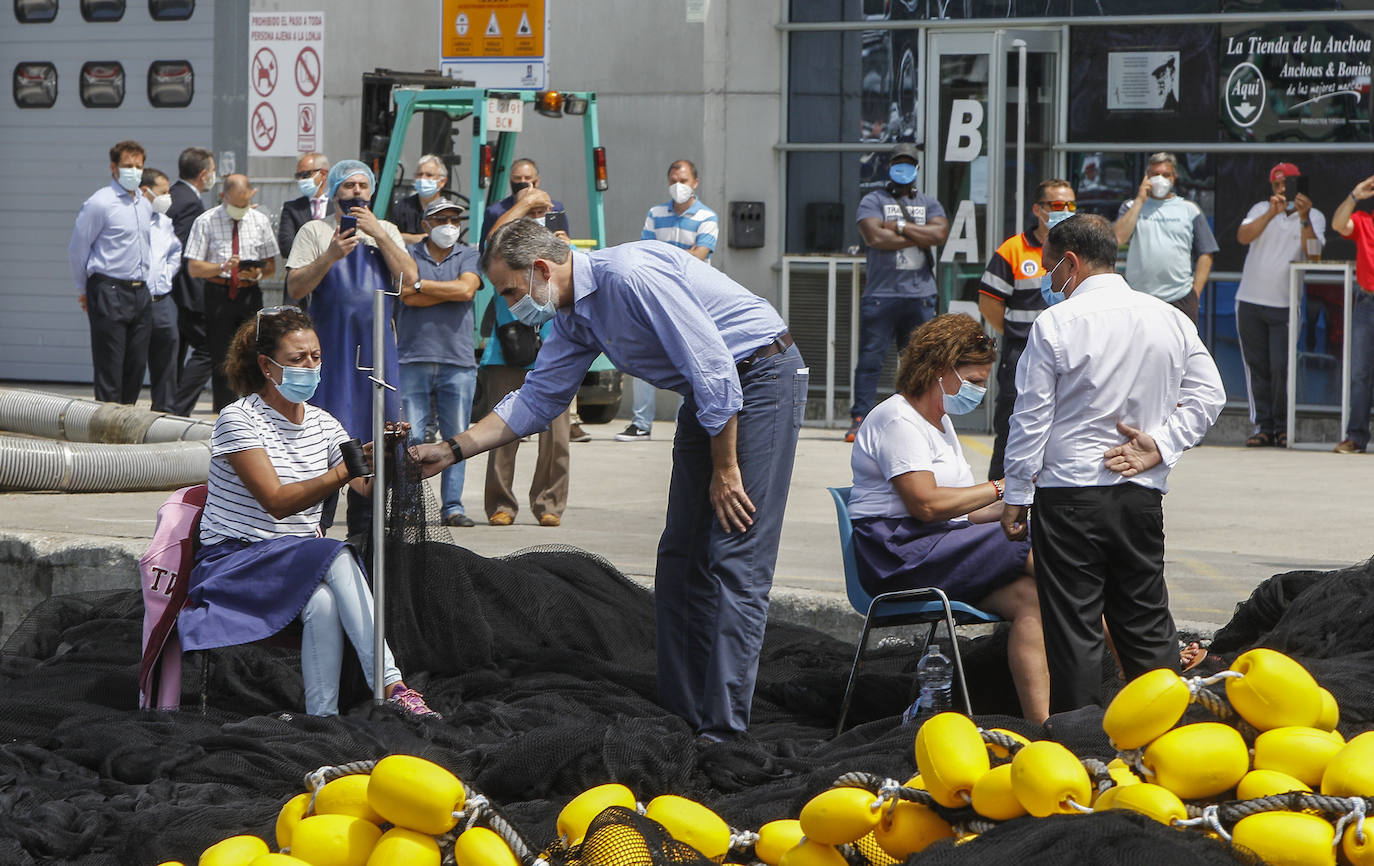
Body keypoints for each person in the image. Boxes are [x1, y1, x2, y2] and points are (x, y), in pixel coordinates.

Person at [411, 221, 807, 740]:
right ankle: (686, 715)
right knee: (680, 559)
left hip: (758, 377)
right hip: (709, 397)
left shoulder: (629, 276)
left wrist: (726, 470)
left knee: (735, 554)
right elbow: (536, 399)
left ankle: (723, 732)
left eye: (510, 291)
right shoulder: (575, 317)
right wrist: (451, 448)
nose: (510, 307)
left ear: (542, 269)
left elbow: (715, 369)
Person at [1001, 214, 1225, 713]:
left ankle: (1081, 750)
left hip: (1068, 496)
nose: (1049, 279)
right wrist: (1161, 445)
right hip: (1139, 494)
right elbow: (1211, 394)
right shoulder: (1168, 317)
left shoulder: (1056, 322)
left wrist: (1016, 494)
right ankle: (1166, 742)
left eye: (1050, 267)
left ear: (1072, 263)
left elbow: (1032, 418)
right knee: (1145, 623)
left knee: (1075, 631)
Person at [178, 306, 437, 719]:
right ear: (267, 365)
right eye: (298, 359)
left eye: (316, 357)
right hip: (234, 562)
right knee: (335, 553)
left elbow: (363, 485)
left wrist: (387, 457)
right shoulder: (238, 419)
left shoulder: (325, 424)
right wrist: (342, 470)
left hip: (293, 562)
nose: (310, 367)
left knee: (323, 603)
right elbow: (277, 502)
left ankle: (321, 718)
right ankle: (391, 683)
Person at [848, 314, 1049, 723]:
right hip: (898, 554)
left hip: (936, 545)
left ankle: (1042, 726)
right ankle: (1138, 656)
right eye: (972, 381)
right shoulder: (898, 420)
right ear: (939, 370)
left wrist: (1021, 504)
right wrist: (1003, 488)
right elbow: (926, 504)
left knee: (1033, 597)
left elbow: (966, 509)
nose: (979, 391)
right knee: (1043, 550)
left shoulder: (940, 422)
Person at [285, 160, 415, 537]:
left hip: (377, 356)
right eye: (349, 185)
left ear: (371, 192)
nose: (356, 191)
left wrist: (381, 235)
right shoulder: (314, 230)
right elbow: (295, 289)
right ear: (335, 190)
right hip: (332, 353)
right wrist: (330, 255)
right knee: (326, 438)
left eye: (363, 185)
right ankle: (315, 525)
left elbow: (410, 280)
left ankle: (366, 531)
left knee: (378, 436)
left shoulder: (386, 229)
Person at [477, 189, 574, 527]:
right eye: (519, 183)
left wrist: (563, 243)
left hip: (554, 350)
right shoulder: (504, 255)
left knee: (557, 437)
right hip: (507, 350)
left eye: (532, 182)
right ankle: (501, 503)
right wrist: (524, 204)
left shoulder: (552, 253)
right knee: (502, 430)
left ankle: (549, 502)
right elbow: (491, 247)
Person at [847, 142, 950, 443]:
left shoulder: (930, 204)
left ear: (917, 169)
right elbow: (874, 237)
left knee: (917, 361)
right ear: (889, 167)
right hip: (882, 294)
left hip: (920, 295)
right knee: (871, 360)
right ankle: (860, 419)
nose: (902, 168)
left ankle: (911, 419)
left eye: (908, 163)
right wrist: (920, 234)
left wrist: (899, 227)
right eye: (897, 163)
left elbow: (940, 234)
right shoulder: (872, 200)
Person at [978, 178, 1076, 480]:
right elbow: (989, 303)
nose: (1066, 210)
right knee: (1012, 427)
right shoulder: (1014, 249)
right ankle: (996, 500)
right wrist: (1018, 334)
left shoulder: (1079, 250)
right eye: (1057, 205)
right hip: (1022, 351)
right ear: (1038, 209)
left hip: (1072, 351)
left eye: (1071, 205)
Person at [619, 158, 719, 442]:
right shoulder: (655, 213)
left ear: (695, 183)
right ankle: (640, 423)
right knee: (642, 355)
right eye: (674, 180)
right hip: (657, 295)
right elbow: (645, 252)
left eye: (684, 181)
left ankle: (684, 426)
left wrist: (668, 256)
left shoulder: (707, 217)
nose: (678, 186)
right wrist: (682, 254)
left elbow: (701, 255)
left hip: (693, 298)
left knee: (691, 360)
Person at [396, 198, 482, 527]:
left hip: (457, 360)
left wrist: (421, 287)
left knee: (457, 437)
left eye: (454, 218)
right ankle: (407, 506)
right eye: (441, 218)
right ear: (425, 225)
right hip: (413, 357)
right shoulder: (409, 256)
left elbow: (465, 291)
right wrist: (437, 289)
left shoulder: (469, 254)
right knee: (411, 437)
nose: (449, 224)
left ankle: (453, 507)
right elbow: (406, 296)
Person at [1236, 162, 1325, 449]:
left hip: (1285, 304)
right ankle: (1263, 426)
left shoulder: (1314, 216)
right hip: (1249, 300)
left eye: (1288, 184)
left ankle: (1283, 427)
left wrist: (1303, 217)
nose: (1283, 190)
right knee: (1257, 368)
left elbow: (1314, 255)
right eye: (1278, 185)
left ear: (1299, 184)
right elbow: (1243, 237)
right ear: (1271, 187)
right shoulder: (1260, 209)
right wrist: (1271, 213)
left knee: (1281, 368)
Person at [184, 174, 280, 412]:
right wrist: (222, 267)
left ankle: (254, 407)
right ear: (223, 197)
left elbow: (271, 267)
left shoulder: (259, 220)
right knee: (221, 354)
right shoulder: (206, 221)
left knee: (253, 349)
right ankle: (224, 409)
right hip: (218, 291)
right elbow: (194, 267)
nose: (241, 208)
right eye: (236, 204)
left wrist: (255, 274)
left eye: (244, 203)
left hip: (250, 292)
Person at [68, 140, 152, 405]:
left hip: (140, 291)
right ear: (113, 168)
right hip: (108, 289)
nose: (134, 171)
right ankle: (106, 431)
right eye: (128, 166)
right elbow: (78, 249)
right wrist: (83, 290)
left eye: (138, 166)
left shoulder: (144, 203)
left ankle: (124, 424)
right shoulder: (100, 203)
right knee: (110, 364)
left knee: (136, 365)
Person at [1112, 151, 1219, 325]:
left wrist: (1195, 293)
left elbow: (1206, 253)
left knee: (1179, 351)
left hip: (1180, 297)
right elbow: (1118, 238)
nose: (1160, 179)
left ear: (1174, 178)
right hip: (1139, 297)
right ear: (1147, 177)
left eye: (1165, 175)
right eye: (1155, 174)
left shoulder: (1189, 209)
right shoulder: (1131, 206)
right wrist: (1140, 200)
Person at [169, 146, 217, 416]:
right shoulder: (190, 203)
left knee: (176, 351)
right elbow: (185, 253)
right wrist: (198, 294)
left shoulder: (174, 195)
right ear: (202, 174)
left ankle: (165, 404)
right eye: (212, 171)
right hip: (187, 293)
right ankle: (177, 409)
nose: (213, 176)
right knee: (207, 349)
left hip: (174, 294)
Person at [1331, 173, 1374, 454]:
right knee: (1360, 374)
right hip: (1367, 303)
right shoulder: (1362, 220)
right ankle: (1356, 437)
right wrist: (1354, 194)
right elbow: (1338, 224)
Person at [140, 167, 182, 413]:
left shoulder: (165, 222)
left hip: (162, 301)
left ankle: (163, 413)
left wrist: (167, 275)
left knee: (167, 359)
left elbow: (175, 251)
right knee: (132, 362)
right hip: (135, 299)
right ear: (146, 192)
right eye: (163, 192)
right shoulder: (130, 220)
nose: (168, 197)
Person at [392, 154, 464, 245]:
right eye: (419, 174)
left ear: (442, 182)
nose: (423, 179)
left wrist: (405, 238)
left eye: (429, 175)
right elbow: (390, 236)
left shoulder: (448, 211)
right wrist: (416, 239)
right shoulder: (402, 207)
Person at [278, 151, 330, 264]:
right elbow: (286, 247)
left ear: (323, 174)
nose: (301, 180)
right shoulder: (291, 208)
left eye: (305, 175)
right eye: (298, 176)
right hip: (301, 275)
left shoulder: (338, 206)